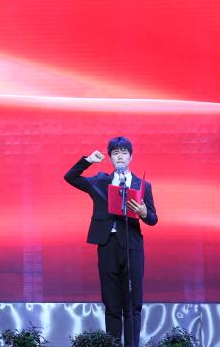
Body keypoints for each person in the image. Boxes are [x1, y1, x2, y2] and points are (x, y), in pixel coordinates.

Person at [64, 137, 158, 347]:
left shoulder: (143, 185)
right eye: (115, 153)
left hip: (132, 247)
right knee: (112, 303)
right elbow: (70, 177)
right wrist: (88, 161)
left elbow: (153, 219)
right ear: (110, 158)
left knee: (132, 304)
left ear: (131, 157)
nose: (120, 157)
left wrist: (144, 212)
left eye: (124, 152)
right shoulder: (99, 181)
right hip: (107, 245)